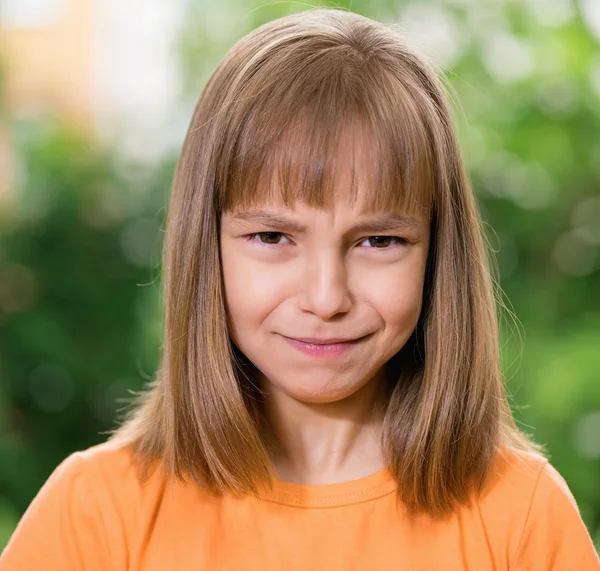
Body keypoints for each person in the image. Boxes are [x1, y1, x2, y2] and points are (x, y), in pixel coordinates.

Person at [1, 7, 598, 571]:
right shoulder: (93, 520)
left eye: (378, 241)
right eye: (271, 236)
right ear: (206, 247)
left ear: (437, 254)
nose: (325, 296)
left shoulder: (523, 518)